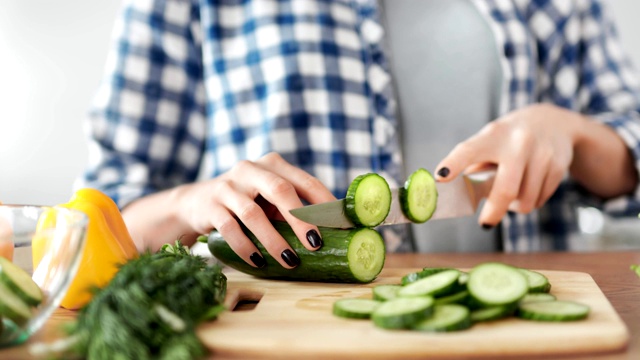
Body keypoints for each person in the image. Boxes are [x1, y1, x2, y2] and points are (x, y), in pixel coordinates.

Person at [76, 0, 640, 269]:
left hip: (515, 338)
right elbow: (94, 225)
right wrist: (192, 202)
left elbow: (629, 153)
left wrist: (572, 134)